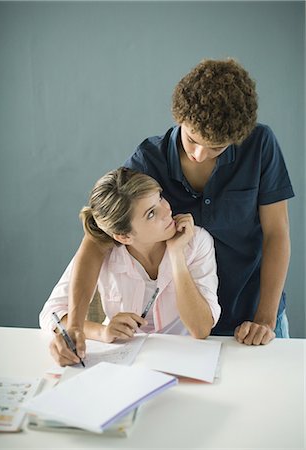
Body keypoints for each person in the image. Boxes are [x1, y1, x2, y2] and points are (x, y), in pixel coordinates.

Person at [46, 58, 294, 362]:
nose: (200, 155)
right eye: (192, 139)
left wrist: (265, 319)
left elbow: (276, 233)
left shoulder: (261, 145)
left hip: (253, 309)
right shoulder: (149, 160)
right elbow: (98, 239)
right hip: (186, 326)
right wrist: (76, 327)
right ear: (180, 117)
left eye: (216, 147)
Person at [40, 168, 221, 366]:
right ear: (124, 236)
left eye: (160, 198)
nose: (167, 210)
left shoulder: (196, 241)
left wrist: (177, 255)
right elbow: (52, 313)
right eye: (151, 213)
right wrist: (102, 332)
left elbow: (201, 329)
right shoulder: (104, 250)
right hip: (123, 360)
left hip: (184, 359)